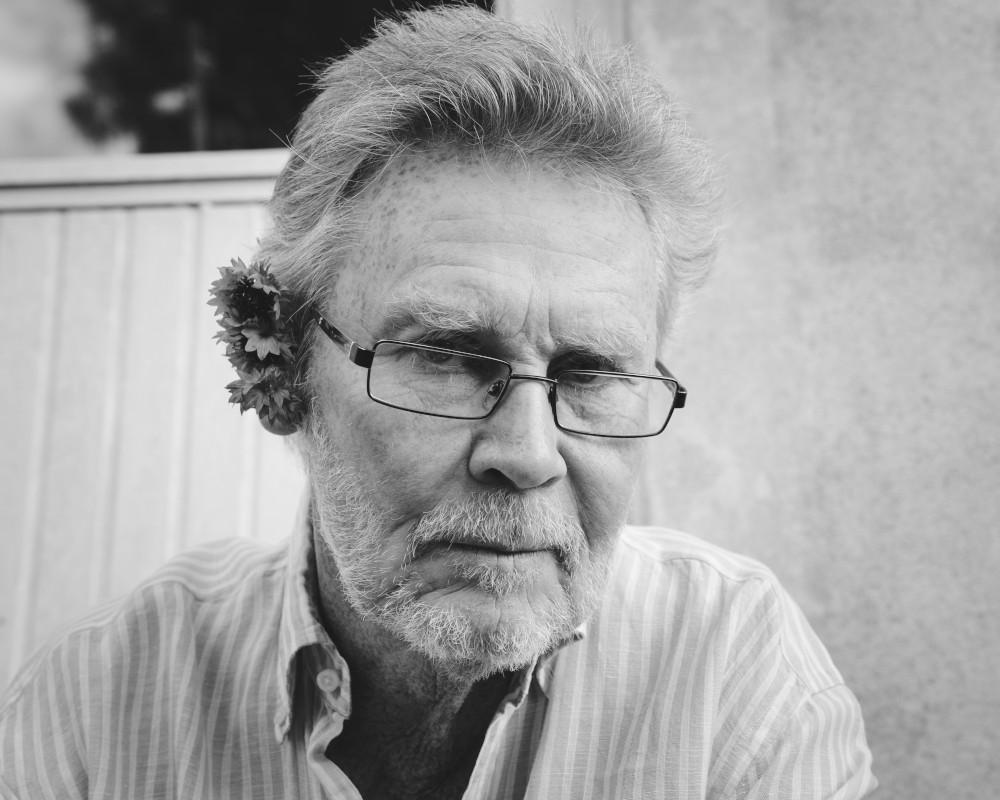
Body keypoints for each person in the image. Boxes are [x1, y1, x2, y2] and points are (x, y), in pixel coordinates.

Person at [0, 6, 876, 799]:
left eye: (588, 376)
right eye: (450, 359)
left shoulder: (730, 674)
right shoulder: (101, 708)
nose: (526, 454)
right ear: (288, 371)